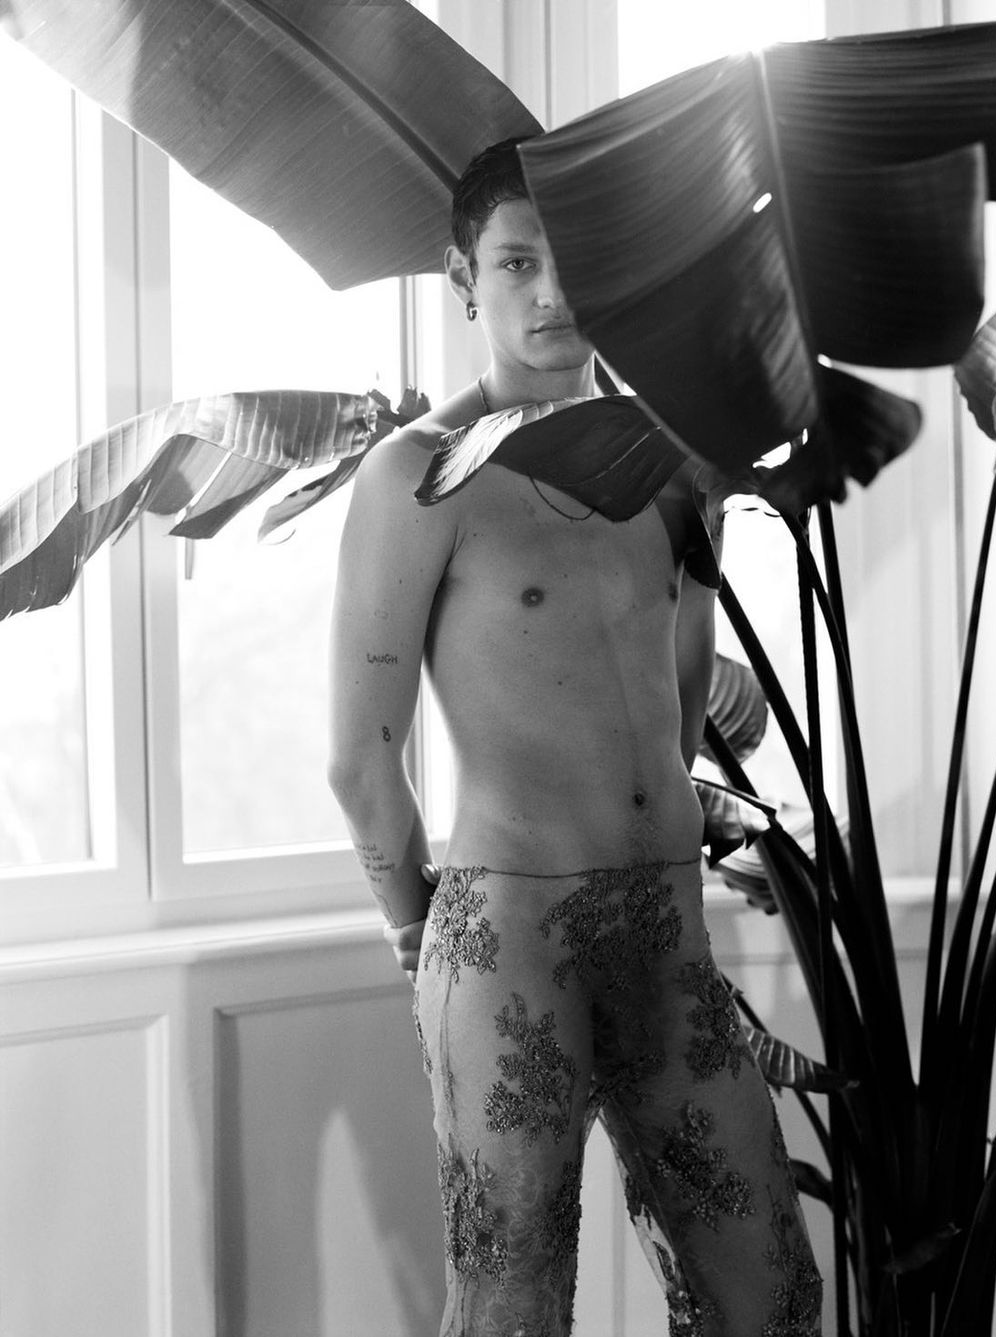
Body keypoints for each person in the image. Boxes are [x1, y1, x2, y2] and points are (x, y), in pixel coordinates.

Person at [327, 137, 821, 1337]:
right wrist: (416, 932)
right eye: (517, 263)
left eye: (576, 260)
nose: (552, 292)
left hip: (664, 927)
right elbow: (360, 754)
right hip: (511, 941)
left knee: (770, 1295)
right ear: (466, 277)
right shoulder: (421, 475)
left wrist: (680, 798)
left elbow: (674, 689)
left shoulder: (672, 467)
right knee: (514, 1307)